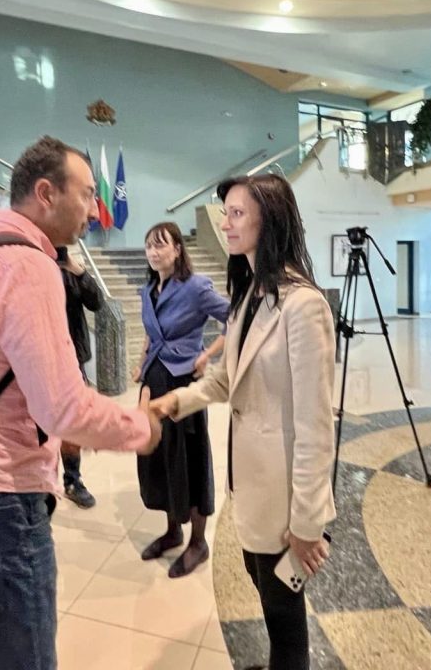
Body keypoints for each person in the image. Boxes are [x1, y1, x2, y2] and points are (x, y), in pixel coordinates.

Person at [0, 135, 161, 670]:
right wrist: (141, 428)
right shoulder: (25, 264)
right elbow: (63, 409)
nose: (94, 208)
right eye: (86, 194)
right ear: (46, 193)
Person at [152, 174, 336, 670]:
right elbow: (227, 380)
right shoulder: (252, 292)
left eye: (236, 213)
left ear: (268, 220)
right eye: (225, 213)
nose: (225, 223)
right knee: (262, 585)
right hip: (253, 485)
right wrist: (174, 403)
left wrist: (308, 524)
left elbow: (316, 426)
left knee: (285, 618)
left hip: (284, 497)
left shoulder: (304, 306)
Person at [132, 222, 229, 578]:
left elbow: (234, 318)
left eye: (161, 245)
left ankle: (198, 542)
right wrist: (141, 362)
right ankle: (172, 531)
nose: (154, 252)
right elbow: (151, 333)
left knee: (189, 459)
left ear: (177, 250)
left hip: (184, 387)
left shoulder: (197, 287)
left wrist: (208, 354)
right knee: (158, 459)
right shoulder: (148, 290)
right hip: (154, 382)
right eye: (149, 246)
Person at [56, 244, 104, 509]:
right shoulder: (30, 263)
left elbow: (97, 302)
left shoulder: (71, 270)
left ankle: (72, 480)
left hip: (73, 358)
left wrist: (79, 271)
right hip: (38, 357)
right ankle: (36, 484)